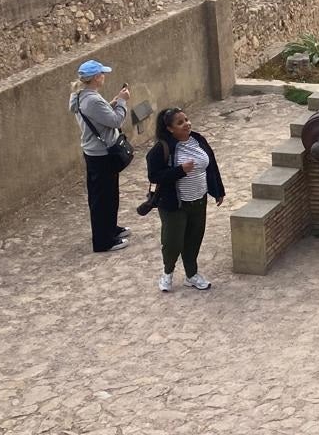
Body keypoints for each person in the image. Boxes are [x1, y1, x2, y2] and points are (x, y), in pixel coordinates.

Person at [145, 106, 225, 292]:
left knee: (193, 239)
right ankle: (167, 273)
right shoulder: (162, 149)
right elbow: (154, 175)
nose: (187, 124)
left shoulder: (198, 140)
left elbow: (211, 166)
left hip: (198, 200)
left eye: (187, 120)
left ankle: (191, 274)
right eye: (180, 123)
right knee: (173, 242)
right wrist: (179, 171)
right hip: (175, 205)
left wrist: (218, 190)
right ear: (170, 129)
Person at [69, 59, 131, 253]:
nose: (104, 76)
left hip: (94, 152)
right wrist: (122, 102)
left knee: (107, 195)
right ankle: (103, 241)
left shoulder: (80, 96)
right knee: (103, 198)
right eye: (102, 74)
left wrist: (111, 102)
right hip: (102, 154)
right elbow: (114, 121)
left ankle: (110, 229)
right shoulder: (92, 99)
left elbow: (98, 116)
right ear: (96, 77)